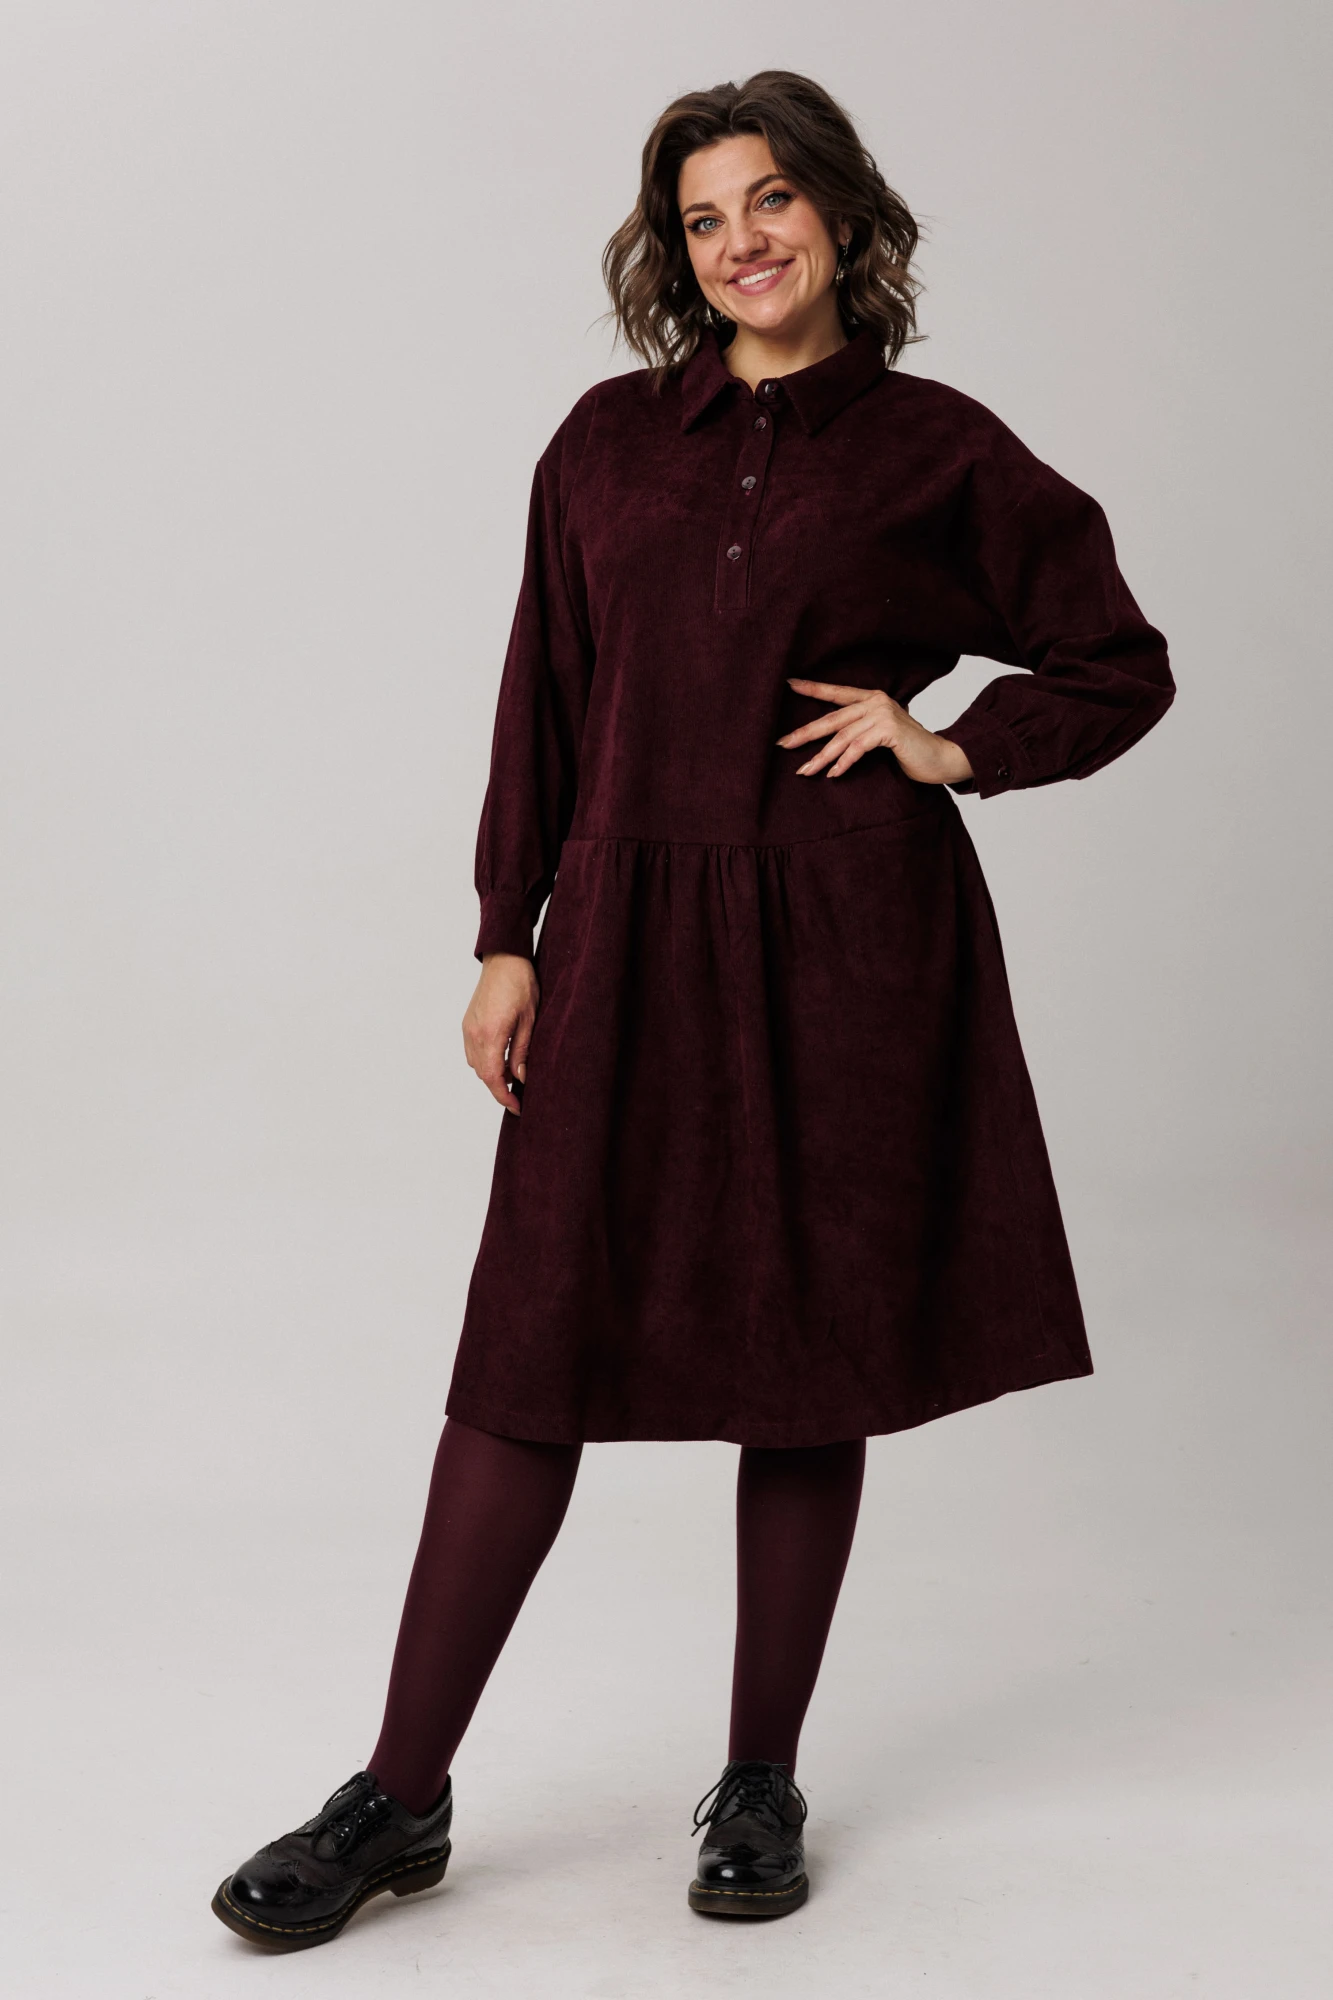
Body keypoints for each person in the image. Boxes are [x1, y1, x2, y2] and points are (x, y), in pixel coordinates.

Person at [210, 69, 1174, 1951]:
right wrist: (508, 933)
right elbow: (545, 695)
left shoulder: (936, 449)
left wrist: (949, 743)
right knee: (528, 1349)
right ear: (675, 251)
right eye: (704, 217)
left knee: (807, 1351)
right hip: (628, 929)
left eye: (771, 201)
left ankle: (758, 1780)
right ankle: (398, 1794)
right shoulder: (606, 444)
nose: (742, 242)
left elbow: (1116, 658)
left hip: (847, 938)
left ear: (843, 217)